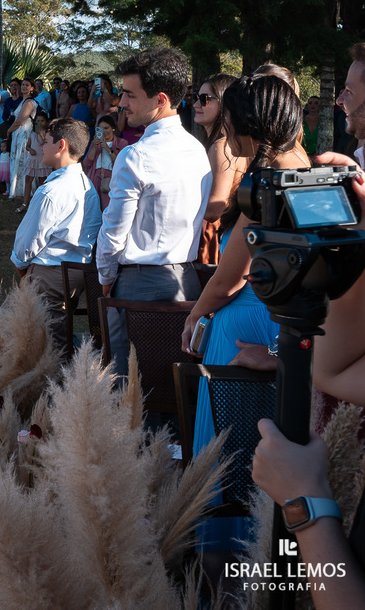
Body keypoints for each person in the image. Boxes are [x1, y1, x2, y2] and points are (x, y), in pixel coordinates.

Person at [176, 74, 309, 551]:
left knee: (228, 458)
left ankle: (223, 561)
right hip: (283, 331)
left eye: (230, 121)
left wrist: (197, 315)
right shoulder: (308, 167)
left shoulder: (265, 180)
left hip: (245, 323)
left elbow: (232, 275)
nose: (226, 132)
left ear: (249, 122)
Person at [96, 47, 212, 377]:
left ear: (160, 99)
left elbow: (113, 233)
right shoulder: (197, 150)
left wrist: (105, 278)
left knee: (131, 393)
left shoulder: (135, 156)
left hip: (138, 287)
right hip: (186, 282)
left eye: (130, 95)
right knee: (174, 391)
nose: (121, 103)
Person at [10, 117, 102, 351]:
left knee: (47, 342)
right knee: (55, 334)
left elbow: (27, 242)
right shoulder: (86, 184)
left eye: (47, 141)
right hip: (75, 270)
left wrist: (23, 267)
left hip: (51, 272)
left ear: (61, 145)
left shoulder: (51, 191)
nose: (42, 146)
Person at [192, 74, 245, 265]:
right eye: (196, 98)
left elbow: (215, 208)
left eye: (205, 99)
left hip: (215, 240)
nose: (196, 104)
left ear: (224, 103)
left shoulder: (221, 147)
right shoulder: (228, 144)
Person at [81, 115, 127, 210]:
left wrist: (107, 148)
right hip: (95, 179)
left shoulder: (122, 143)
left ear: (113, 128)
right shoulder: (95, 143)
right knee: (94, 210)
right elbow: (86, 164)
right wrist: (94, 147)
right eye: (101, 129)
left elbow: (122, 163)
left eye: (106, 128)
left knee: (109, 209)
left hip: (112, 180)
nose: (104, 131)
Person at [6, 79, 39, 201]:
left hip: (24, 135)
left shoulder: (29, 102)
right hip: (19, 135)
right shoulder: (23, 101)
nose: (24, 87)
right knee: (18, 160)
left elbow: (20, 121)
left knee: (23, 159)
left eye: (27, 85)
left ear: (32, 88)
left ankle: (25, 191)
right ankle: (18, 190)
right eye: (23, 85)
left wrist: (9, 131)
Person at [18, 110, 52, 213]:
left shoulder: (48, 133)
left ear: (46, 122)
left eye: (42, 121)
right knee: (28, 180)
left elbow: (46, 143)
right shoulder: (32, 133)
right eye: (38, 120)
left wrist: (41, 134)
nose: (40, 123)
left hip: (42, 161)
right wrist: (30, 149)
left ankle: (40, 204)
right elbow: (27, 146)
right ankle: (25, 203)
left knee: (42, 182)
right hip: (33, 160)